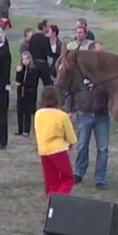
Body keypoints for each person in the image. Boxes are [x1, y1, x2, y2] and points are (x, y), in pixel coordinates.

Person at [64, 45, 111, 189]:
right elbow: (71, 90)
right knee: (82, 145)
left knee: (103, 148)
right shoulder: (80, 72)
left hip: (102, 115)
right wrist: (70, 109)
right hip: (84, 113)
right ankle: (79, 172)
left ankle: (100, 179)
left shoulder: (106, 73)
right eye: (98, 52)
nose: (101, 55)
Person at [34, 87, 77, 197]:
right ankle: (59, 200)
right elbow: (71, 136)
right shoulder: (62, 115)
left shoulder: (38, 114)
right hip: (58, 150)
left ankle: (51, 200)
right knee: (68, 178)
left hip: (43, 151)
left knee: (51, 181)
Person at [15, 51, 40, 136]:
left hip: (29, 93)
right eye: (23, 59)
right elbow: (17, 80)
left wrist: (22, 84)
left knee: (27, 112)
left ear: (30, 59)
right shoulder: (21, 69)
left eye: (26, 59)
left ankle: (26, 130)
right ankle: (20, 129)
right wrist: (18, 72)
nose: (25, 61)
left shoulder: (33, 70)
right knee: (20, 111)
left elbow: (32, 83)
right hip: (20, 93)